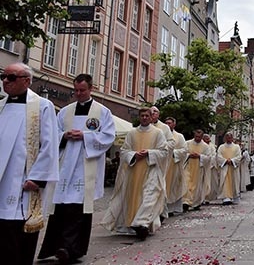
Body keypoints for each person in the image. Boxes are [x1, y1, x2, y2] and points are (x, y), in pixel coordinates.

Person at [38, 73, 116, 264]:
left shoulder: (103, 112)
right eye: (76, 90)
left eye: (82, 90)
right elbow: (53, 133)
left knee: (78, 209)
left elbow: (108, 136)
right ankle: (57, 247)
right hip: (65, 166)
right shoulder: (65, 111)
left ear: (91, 89)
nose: (78, 94)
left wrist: (85, 136)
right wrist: (64, 135)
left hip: (85, 166)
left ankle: (71, 249)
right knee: (60, 208)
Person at [0, 63, 59, 265]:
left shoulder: (42, 106)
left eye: (11, 77)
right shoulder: (1, 105)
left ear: (26, 81)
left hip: (23, 182)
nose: (5, 81)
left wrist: (38, 177)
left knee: (17, 233)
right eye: (3, 77)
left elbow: (50, 143)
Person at [101, 107, 168, 240]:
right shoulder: (132, 133)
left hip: (151, 170)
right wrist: (134, 155)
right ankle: (132, 224)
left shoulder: (158, 133)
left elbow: (164, 151)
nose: (144, 118)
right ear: (139, 117)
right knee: (133, 197)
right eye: (142, 115)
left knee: (149, 197)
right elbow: (124, 151)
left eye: (147, 116)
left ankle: (142, 224)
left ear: (151, 117)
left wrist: (149, 153)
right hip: (134, 171)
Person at [163, 117, 187, 215]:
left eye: (170, 123)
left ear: (174, 124)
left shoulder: (179, 136)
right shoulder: (161, 134)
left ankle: (171, 209)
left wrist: (174, 153)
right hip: (163, 166)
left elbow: (184, 150)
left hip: (174, 166)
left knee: (173, 187)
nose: (168, 125)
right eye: (166, 123)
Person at [183, 129, 210, 211]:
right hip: (188, 166)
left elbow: (208, 157)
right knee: (186, 183)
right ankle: (186, 202)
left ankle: (195, 203)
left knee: (197, 186)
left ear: (202, 137)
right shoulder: (187, 143)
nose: (197, 138)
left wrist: (199, 156)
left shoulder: (205, 146)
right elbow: (183, 153)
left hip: (199, 168)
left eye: (199, 137)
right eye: (196, 136)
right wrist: (189, 155)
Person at [216, 132, 242, 205]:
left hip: (233, 168)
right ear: (225, 138)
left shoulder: (236, 147)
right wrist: (225, 161)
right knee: (224, 182)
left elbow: (239, 156)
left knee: (234, 181)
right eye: (227, 137)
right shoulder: (221, 147)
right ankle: (226, 197)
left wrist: (232, 161)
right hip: (225, 167)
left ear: (232, 138)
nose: (229, 139)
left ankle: (234, 196)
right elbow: (218, 156)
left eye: (230, 137)